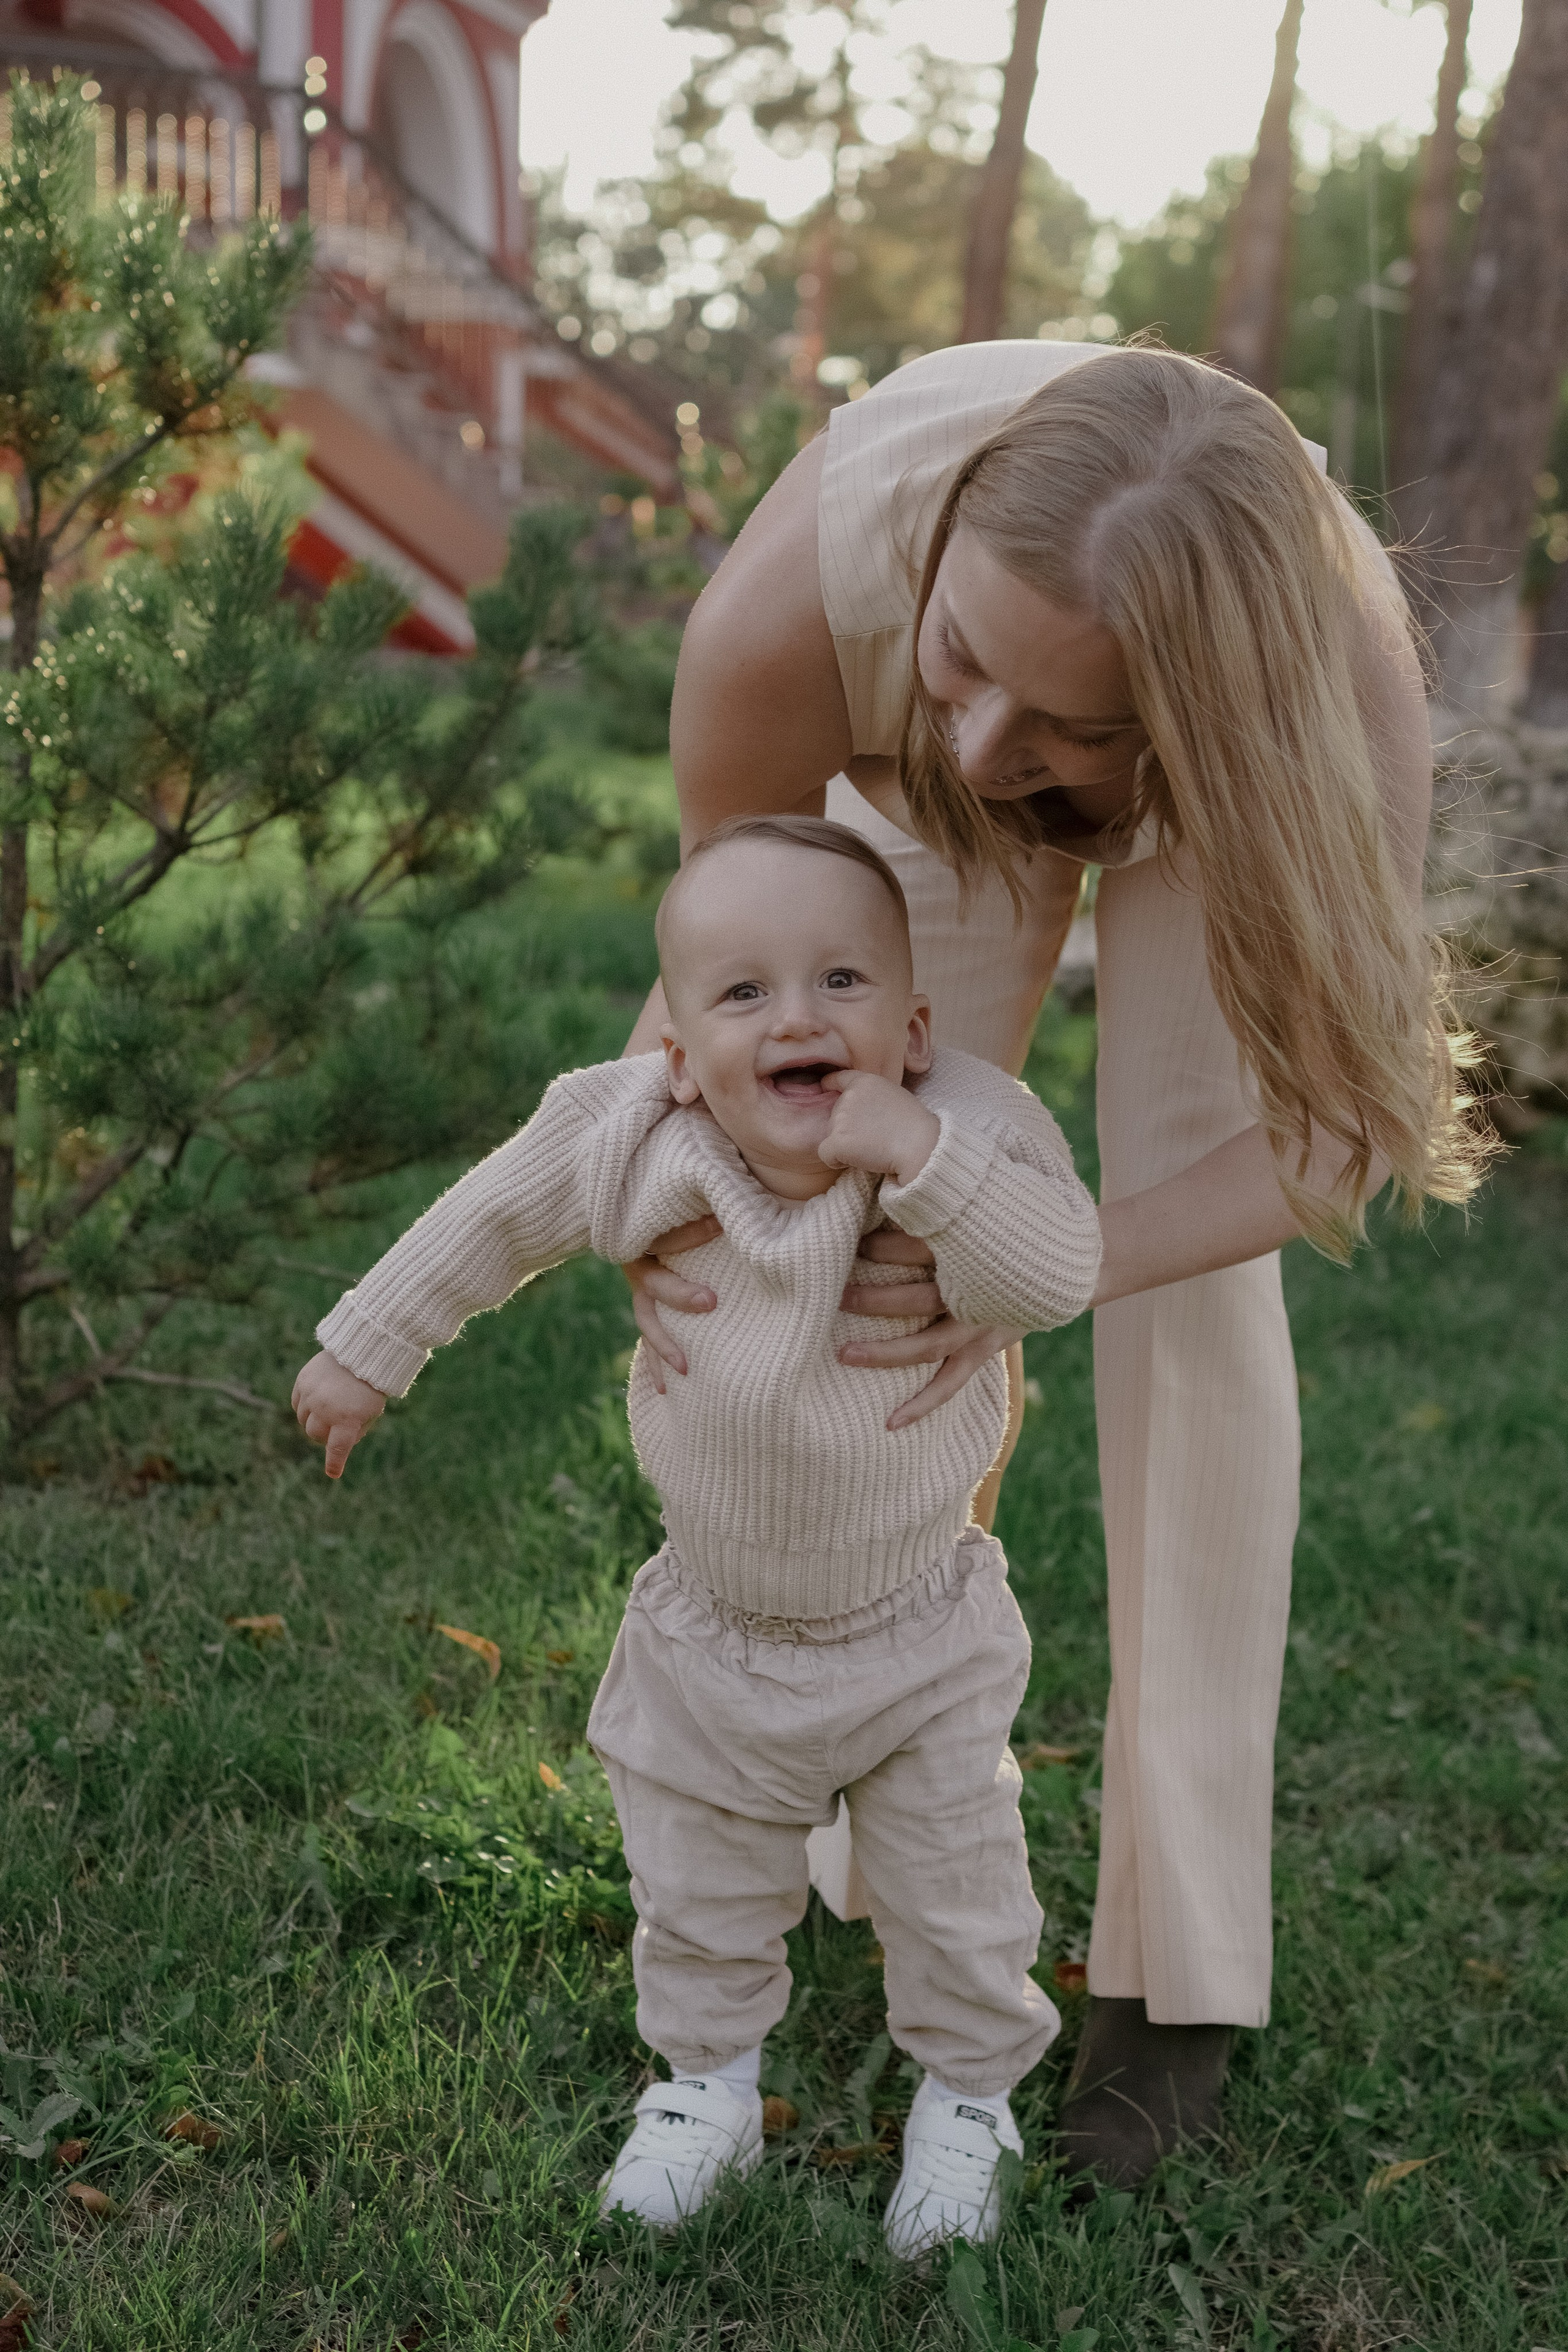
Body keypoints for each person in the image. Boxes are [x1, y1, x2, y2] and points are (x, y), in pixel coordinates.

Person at [619, 342, 1490, 2190]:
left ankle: (1180, 1967)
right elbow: (729, 992)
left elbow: (1334, 1137)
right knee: (862, 1238)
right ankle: (867, 1807)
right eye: (963, 662)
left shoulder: (1325, 697)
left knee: (1192, 1283)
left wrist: (1064, 1251)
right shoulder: (795, 620)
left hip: (1233, 768)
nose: (978, 750)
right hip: (913, 694)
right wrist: (690, 1212)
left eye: (1058, 724)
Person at [291, 814, 1104, 2257]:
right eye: (743, 994)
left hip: (917, 1631)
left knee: (956, 1891)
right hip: (711, 1635)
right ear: (678, 1054)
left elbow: (1054, 1274)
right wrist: (373, 1344)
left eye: (841, 983)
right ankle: (704, 2087)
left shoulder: (967, 1126)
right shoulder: (640, 1137)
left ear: (912, 1028)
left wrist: (925, 1159)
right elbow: (496, 1212)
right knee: (700, 1887)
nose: (797, 1016)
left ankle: (968, 2097)